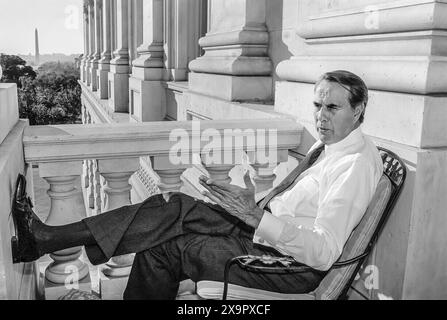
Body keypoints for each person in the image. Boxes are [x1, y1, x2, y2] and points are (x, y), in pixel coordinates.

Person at [12, 70, 383, 300]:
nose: (320, 116)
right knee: (172, 203)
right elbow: (297, 206)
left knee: (165, 248)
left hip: (289, 265)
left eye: (332, 108)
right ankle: (47, 238)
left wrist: (257, 218)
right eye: (318, 104)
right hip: (262, 232)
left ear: (358, 111)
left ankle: (47, 239)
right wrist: (254, 203)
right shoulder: (329, 144)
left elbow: (323, 253)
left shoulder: (354, 165)